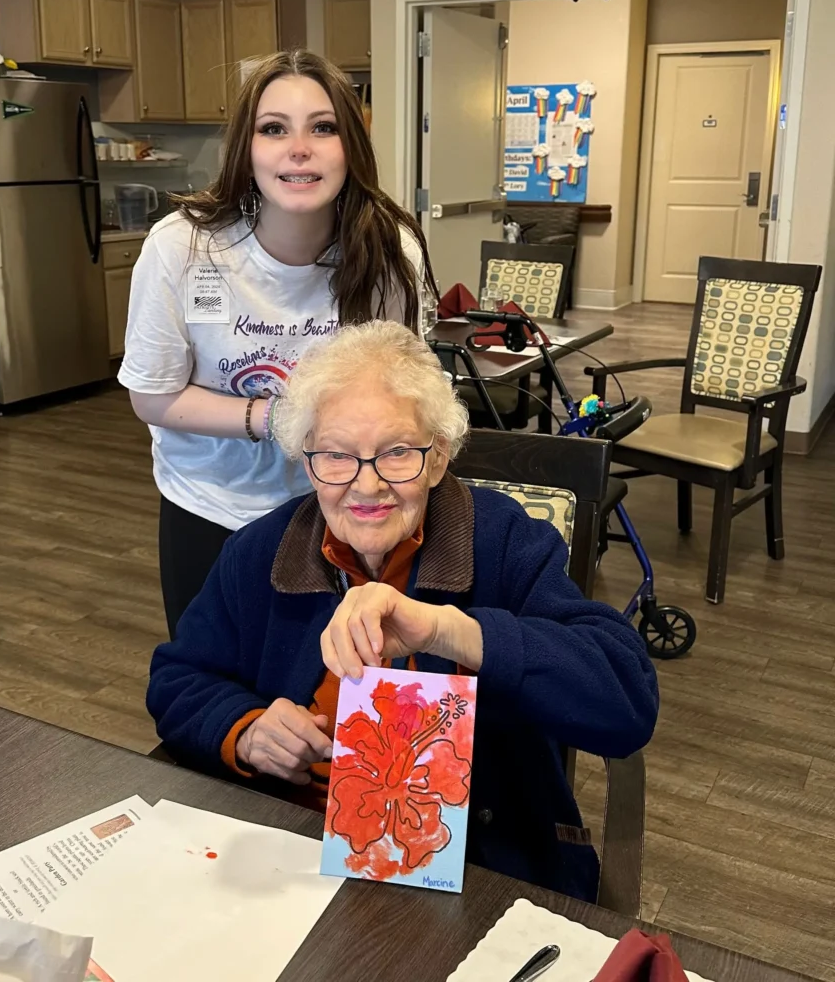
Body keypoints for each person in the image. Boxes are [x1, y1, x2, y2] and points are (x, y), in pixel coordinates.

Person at [146, 321, 659, 900]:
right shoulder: (263, 551)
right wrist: (246, 731)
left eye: (396, 453)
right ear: (308, 461)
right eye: (337, 456)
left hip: (473, 871)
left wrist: (450, 630)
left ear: (438, 458)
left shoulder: (505, 543)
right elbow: (177, 677)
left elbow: (626, 704)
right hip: (291, 858)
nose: (366, 486)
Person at [119, 50, 438, 638]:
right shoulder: (183, 247)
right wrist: (280, 417)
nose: (300, 148)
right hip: (208, 505)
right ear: (247, 147)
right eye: (273, 129)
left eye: (324, 127)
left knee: (336, 689)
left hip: (342, 513)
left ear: (352, 148)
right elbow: (151, 396)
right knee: (217, 684)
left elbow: (404, 404)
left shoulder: (391, 251)